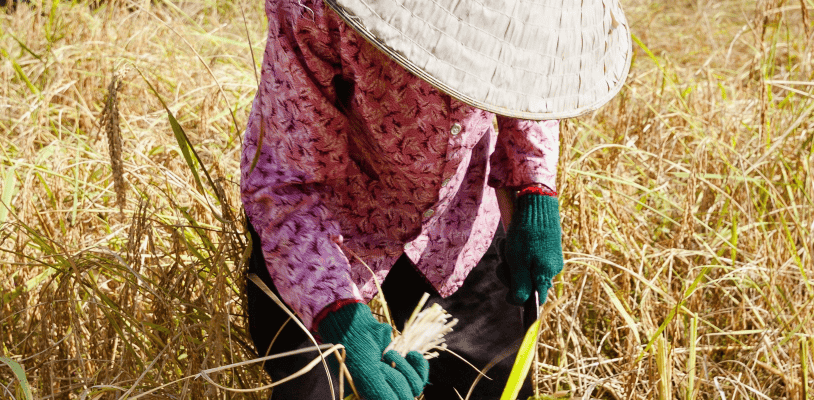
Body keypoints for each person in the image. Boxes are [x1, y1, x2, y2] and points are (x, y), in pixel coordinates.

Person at [240, 0, 631, 398]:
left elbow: (526, 67)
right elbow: (286, 180)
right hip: (321, 230)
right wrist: (341, 319)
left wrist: (532, 188)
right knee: (313, 385)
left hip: (455, 223)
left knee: (485, 384)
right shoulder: (313, 9)